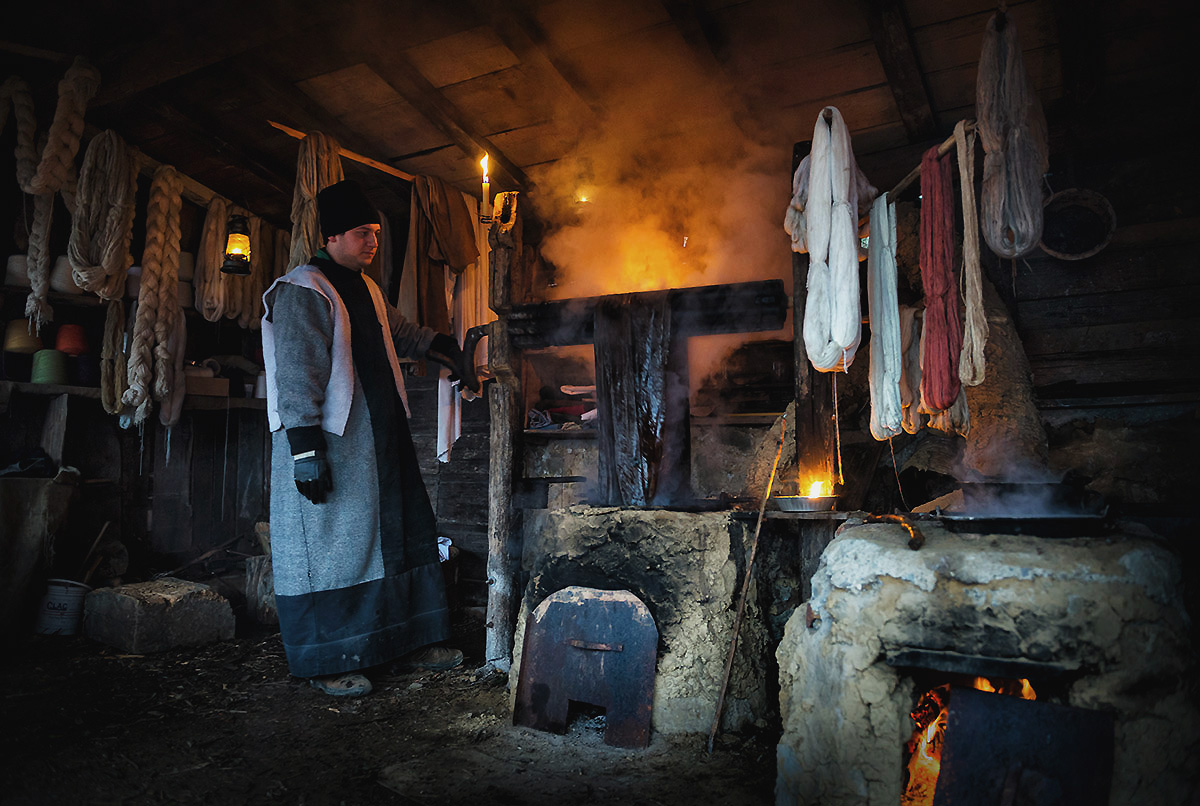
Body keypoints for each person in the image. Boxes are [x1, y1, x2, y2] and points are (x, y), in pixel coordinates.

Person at [261, 179, 470, 697]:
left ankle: (409, 641)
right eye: (362, 233)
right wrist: (305, 450)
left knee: (398, 535)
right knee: (336, 549)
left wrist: (445, 345)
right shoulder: (304, 289)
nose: (372, 242)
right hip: (333, 443)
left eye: (375, 232)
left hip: (381, 438)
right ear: (331, 237)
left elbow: (399, 333)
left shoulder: (367, 288)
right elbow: (296, 372)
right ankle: (329, 659)